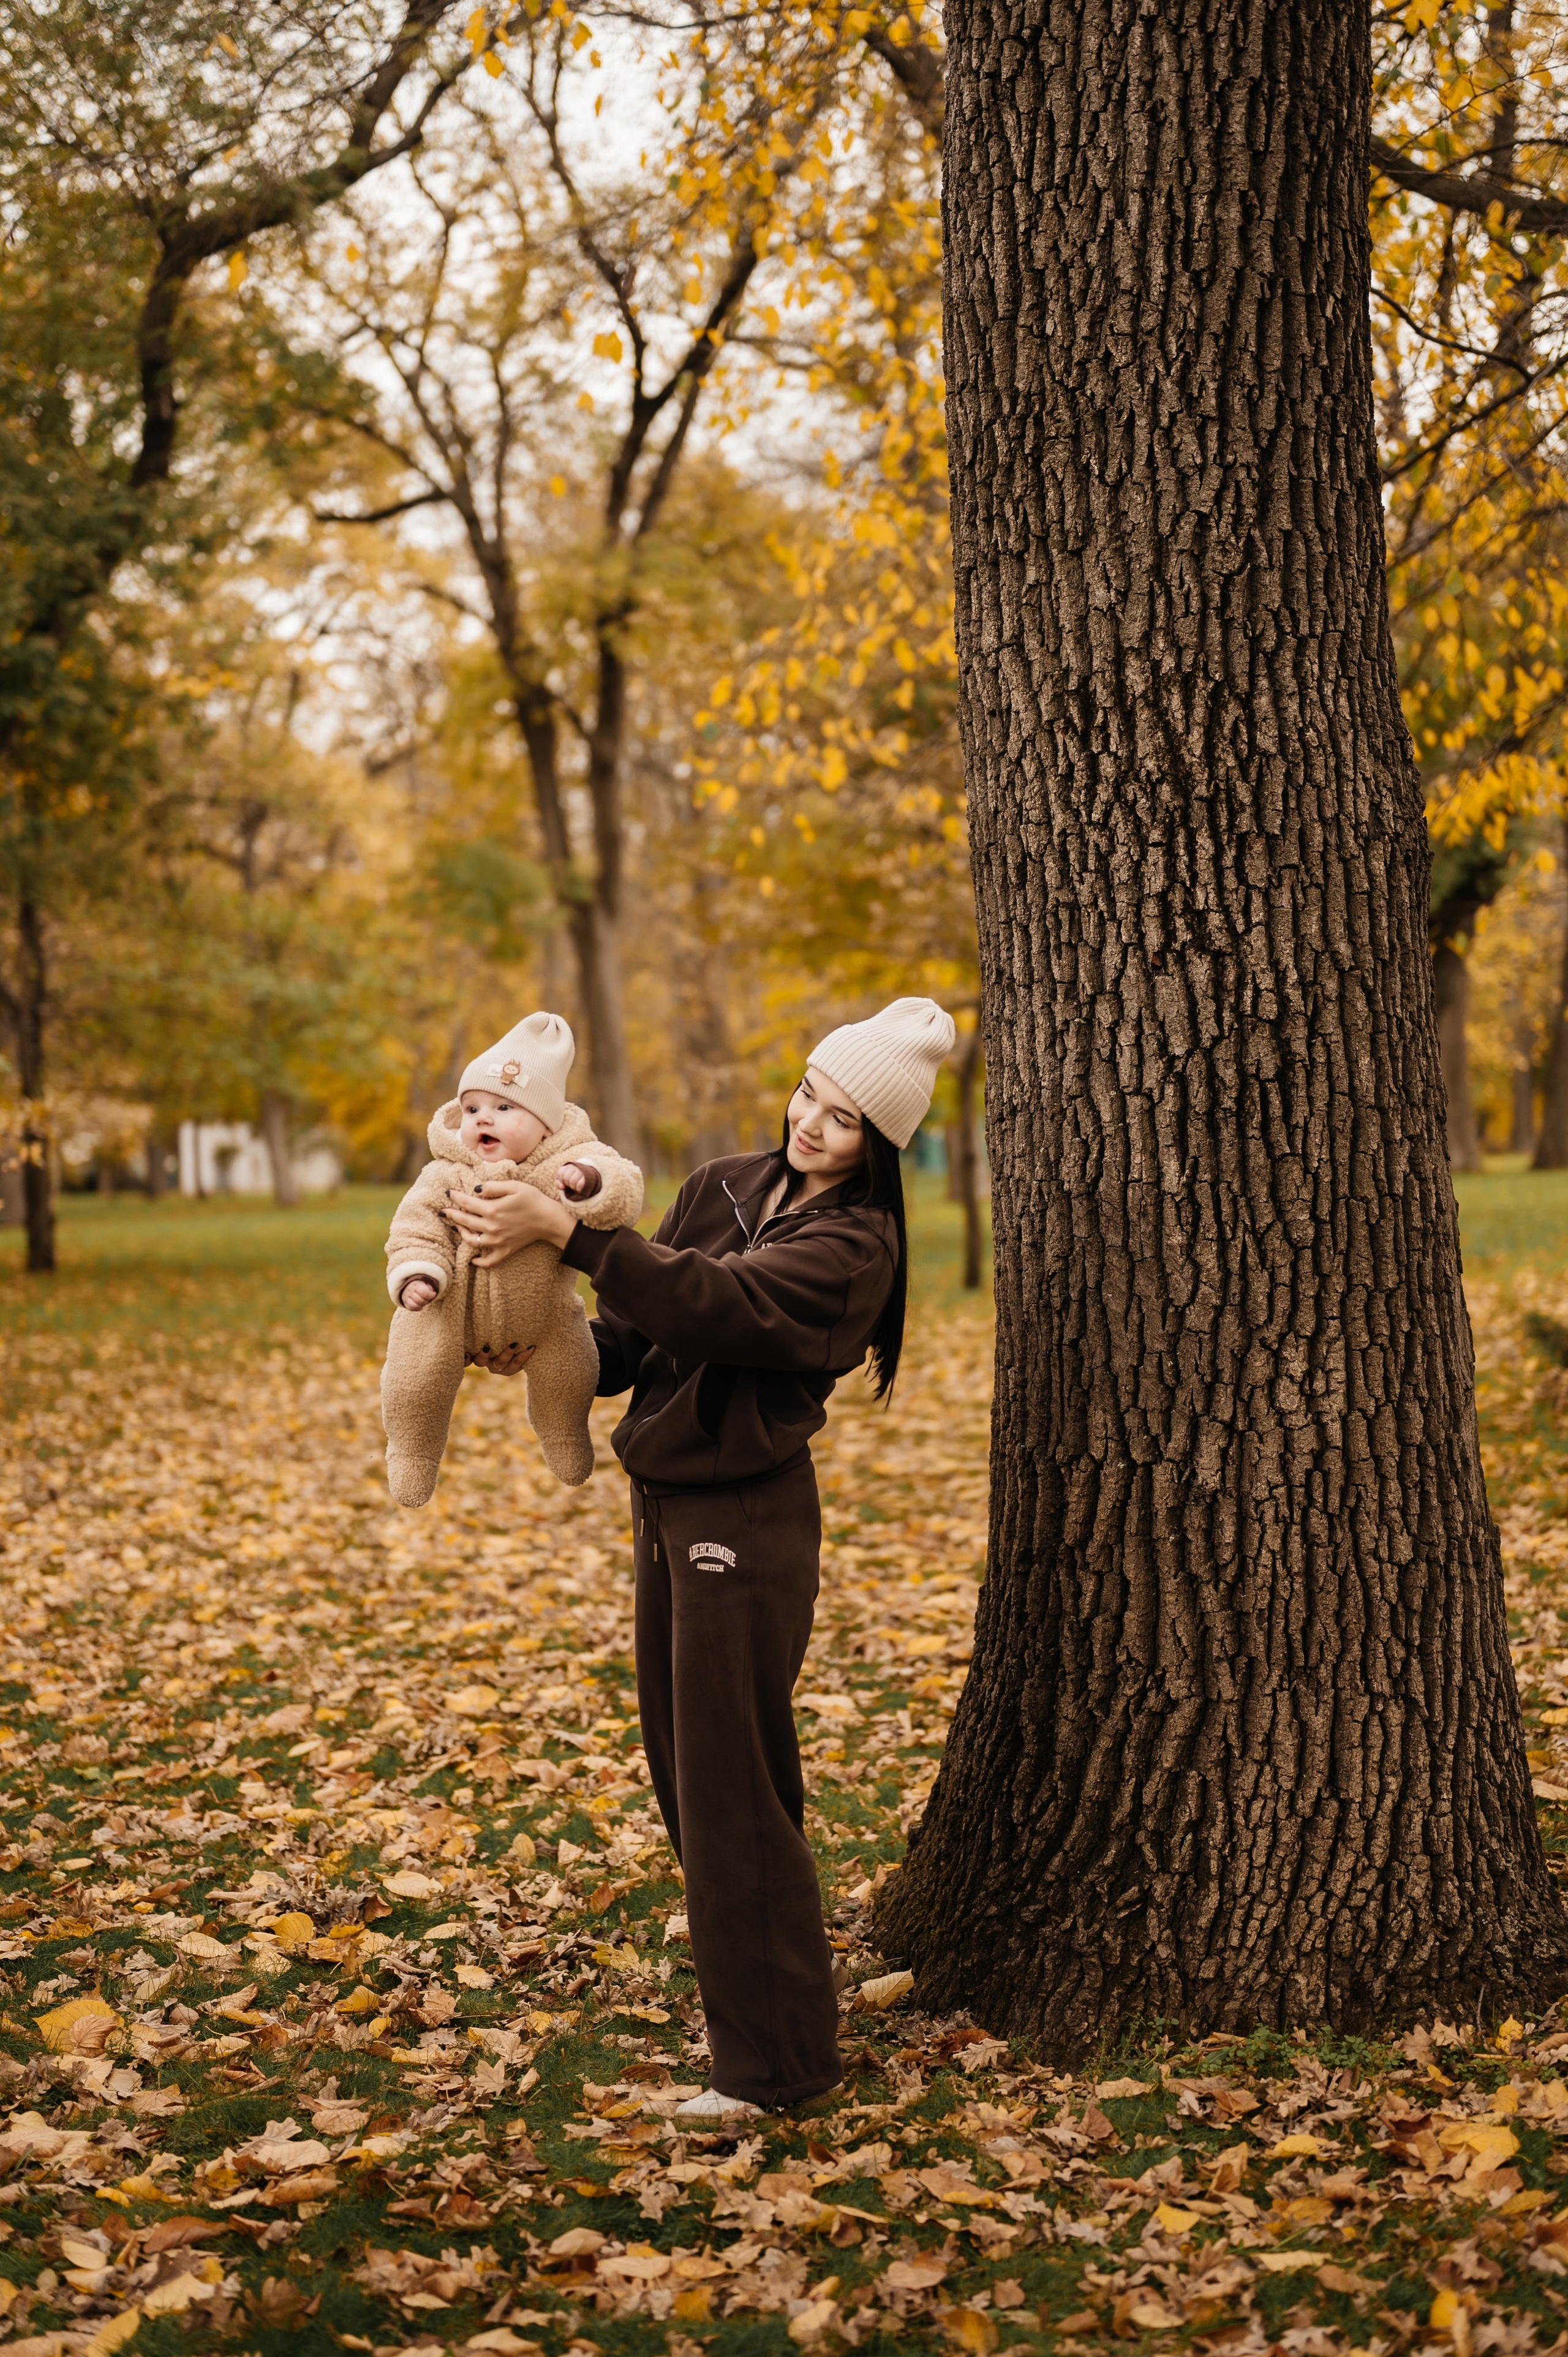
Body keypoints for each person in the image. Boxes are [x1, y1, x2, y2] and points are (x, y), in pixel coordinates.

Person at [445, 996, 956, 2119]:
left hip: (747, 1522)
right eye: (810, 1094)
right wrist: (537, 1336)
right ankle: (786, 2009)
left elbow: (722, 1306)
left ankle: (778, 2069)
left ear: (882, 1144)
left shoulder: (853, 1249)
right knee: (691, 1783)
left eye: (846, 1118)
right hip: (668, 1505)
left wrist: (571, 1236)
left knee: (734, 1794)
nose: (813, 1122)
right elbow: (646, 1332)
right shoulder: (728, 1180)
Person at [380, 1011, 643, 1504]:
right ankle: (412, 1452)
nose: (483, 1118)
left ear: (546, 1127)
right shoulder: (445, 1173)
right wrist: (419, 1271)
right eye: (473, 1107)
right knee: (414, 1382)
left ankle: (565, 1434)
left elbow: (624, 1189)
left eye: (504, 1107)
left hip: (543, 1316)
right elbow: (414, 1224)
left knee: (571, 1371)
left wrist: (591, 1183)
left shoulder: (565, 1165)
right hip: (445, 1311)